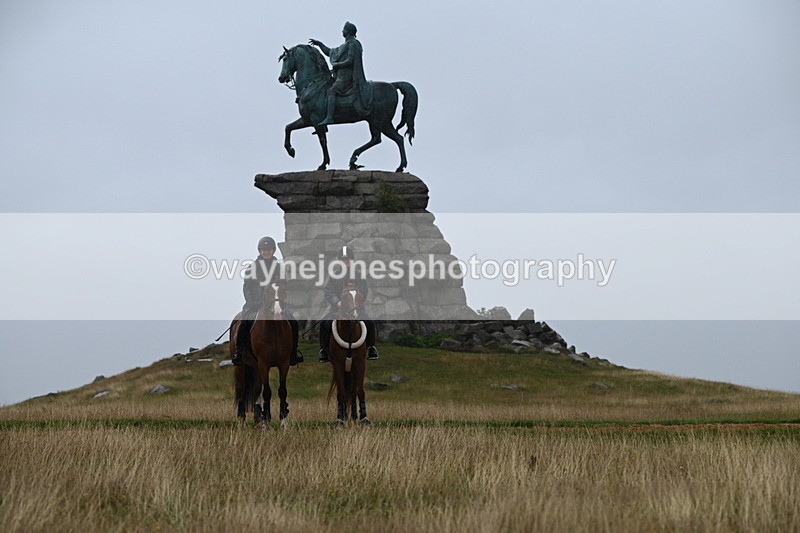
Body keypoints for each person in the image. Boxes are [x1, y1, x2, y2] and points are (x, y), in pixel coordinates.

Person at [232, 236, 303, 366]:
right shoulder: (252, 267)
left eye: (269, 249)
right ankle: (239, 351)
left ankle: (293, 352)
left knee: (293, 322)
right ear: (259, 251)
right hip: (254, 305)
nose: (266, 252)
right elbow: (247, 287)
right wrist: (252, 302)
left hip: (276, 304)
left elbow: (283, 286)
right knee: (244, 323)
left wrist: (279, 301)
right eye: (264, 250)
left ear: (273, 251)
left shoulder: (278, 268)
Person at [318, 245, 379, 363]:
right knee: (324, 324)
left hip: (356, 308)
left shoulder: (359, 275)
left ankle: (371, 348)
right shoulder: (333, 275)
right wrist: (337, 302)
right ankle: (324, 350)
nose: (346, 261)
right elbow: (328, 291)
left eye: (348, 259)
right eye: (343, 259)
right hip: (337, 308)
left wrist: (356, 304)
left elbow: (364, 291)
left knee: (370, 322)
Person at [309, 21, 373, 127]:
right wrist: (319, 44)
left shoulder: (353, 43)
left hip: (348, 77)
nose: (342, 30)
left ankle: (329, 117)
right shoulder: (344, 45)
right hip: (340, 76)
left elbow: (350, 60)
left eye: (344, 29)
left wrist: (338, 65)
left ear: (348, 31)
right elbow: (330, 52)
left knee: (332, 90)